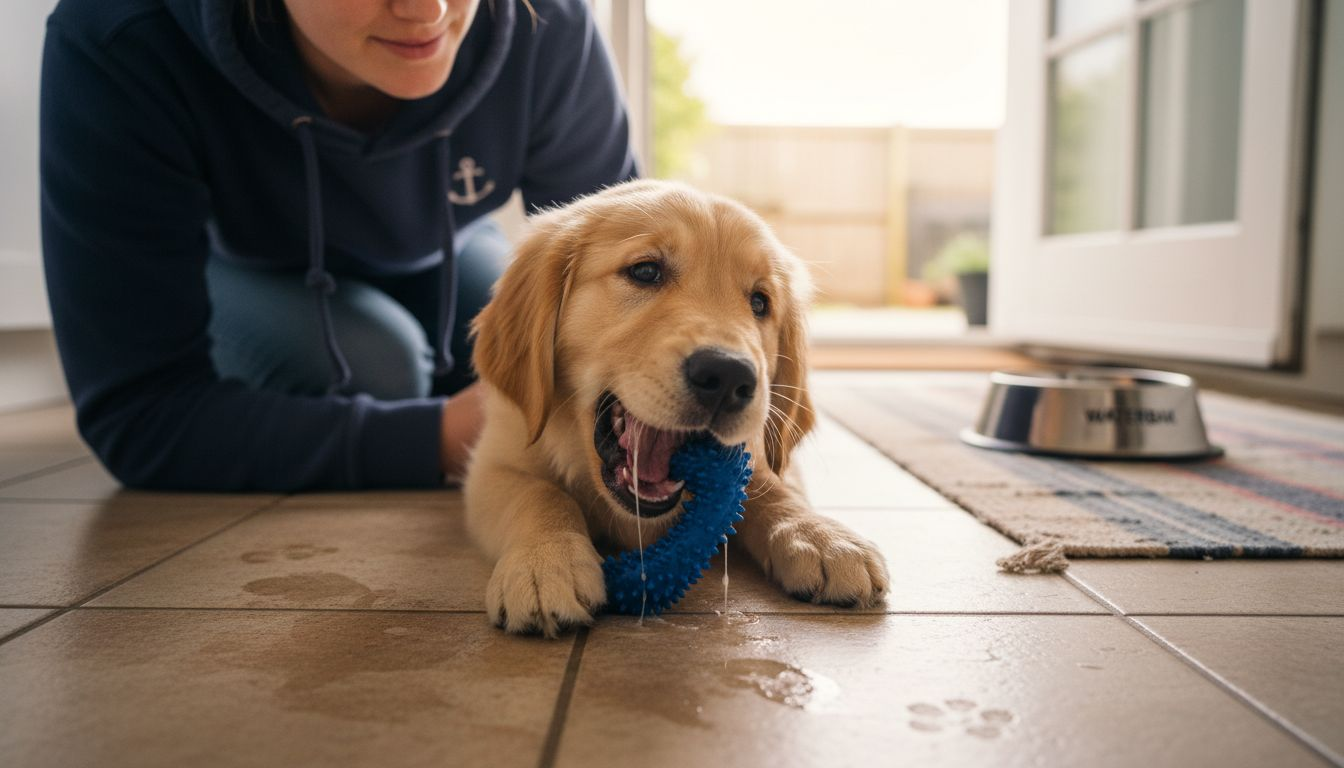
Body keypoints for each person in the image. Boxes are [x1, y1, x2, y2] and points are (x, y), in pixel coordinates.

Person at [39, 0, 637, 491]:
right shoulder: (118, 37)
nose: (427, 11)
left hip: (446, 244)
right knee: (381, 361)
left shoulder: (548, 20)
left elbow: (634, 279)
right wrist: (443, 433)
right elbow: (142, 416)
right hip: (246, 263)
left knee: (532, 339)